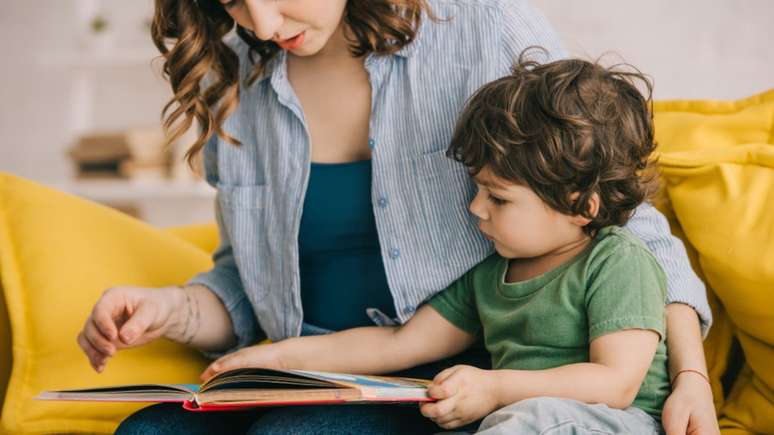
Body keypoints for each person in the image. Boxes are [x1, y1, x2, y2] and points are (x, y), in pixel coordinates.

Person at [76, 0, 718, 433]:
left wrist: (691, 376)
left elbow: (619, 217)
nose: (263, 24)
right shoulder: (234, 78)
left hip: (446, 378)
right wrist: (174, 308)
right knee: (147, 429)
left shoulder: (477, 26)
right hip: (297, 367)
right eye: (233, 2)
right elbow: (244, 281)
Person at [199, 53, 674, 434]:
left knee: (526, 422)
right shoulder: (491, 273)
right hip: (513, 417)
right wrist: (276, 358)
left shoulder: (617, 262)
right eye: (478, 189)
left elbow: (615, 383)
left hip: (611, 422)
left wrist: (494, 388)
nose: (476, 209)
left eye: (499, 199)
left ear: (581, 206)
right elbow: (398, 343)